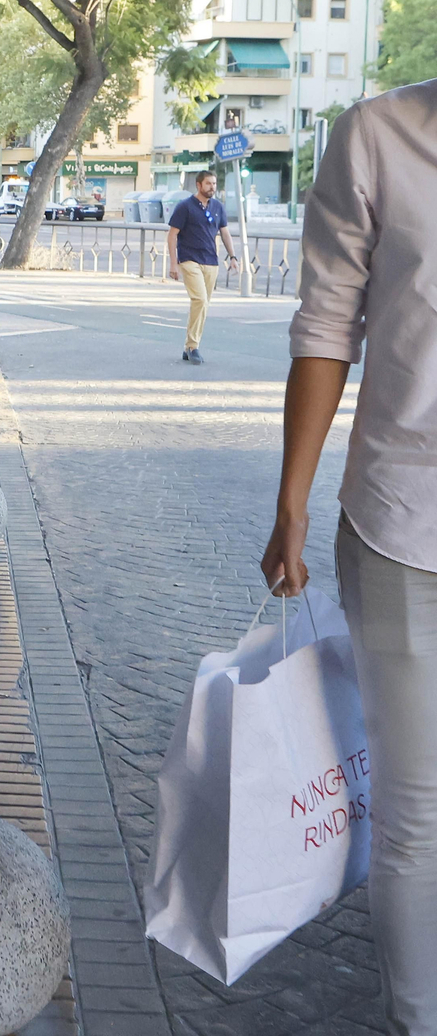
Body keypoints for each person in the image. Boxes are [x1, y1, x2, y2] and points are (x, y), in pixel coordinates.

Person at [261, 79, 437, 1036]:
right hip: (402, 525)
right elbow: (328, 323)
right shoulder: (378, 135)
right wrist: (292, 502)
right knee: (417, 819)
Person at [166, 171, 240, 365]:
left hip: (211, 261)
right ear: (199, 185)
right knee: (199, 299)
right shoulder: (185, 207)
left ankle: (188, 346)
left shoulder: (218, 207)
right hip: (189, 259)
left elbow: (225, 233)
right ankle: (193, 346)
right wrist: (173, 263)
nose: (212, 187)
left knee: (203, 304)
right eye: (208, 183)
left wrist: (233, 257)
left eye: (214, 183)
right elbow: (172, 235)